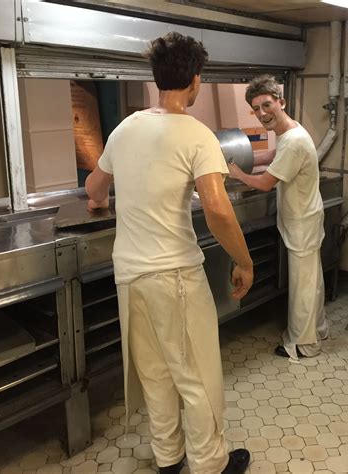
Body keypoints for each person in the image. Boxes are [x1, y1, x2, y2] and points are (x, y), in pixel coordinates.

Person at [85, 32, 253, 474]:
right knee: (196, 376)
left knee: (155, 373)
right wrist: (244, 260)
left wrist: (100, 204)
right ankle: (210, 465)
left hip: (130, 276)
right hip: (174, 275)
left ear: (158, 78)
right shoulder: (196, 134)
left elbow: (94, 188)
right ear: (195, 80)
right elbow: (216, 207)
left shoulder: (126, 127)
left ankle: (168, 459)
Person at [228, 74, 329, 361]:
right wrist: (246, 160)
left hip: (302, 223)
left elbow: (264, 183)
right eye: (256, 109)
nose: (262, 114)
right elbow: (274, 154)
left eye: (267, 105)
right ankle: (318, 331)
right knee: (312, 280)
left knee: (303, 285)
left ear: (280, 102)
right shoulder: (291, 131)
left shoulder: (294, 141)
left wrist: (237, 173)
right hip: (305, 218)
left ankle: (303, 345)